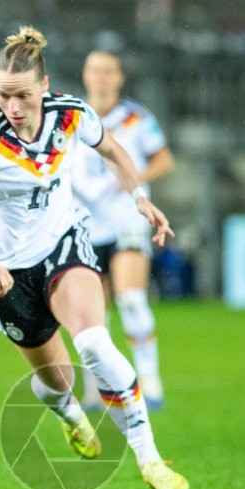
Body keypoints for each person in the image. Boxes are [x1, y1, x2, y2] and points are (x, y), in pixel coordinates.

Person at [0, 26, 188, 489]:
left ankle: (150, 460)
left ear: (44, 87)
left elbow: (111, 149)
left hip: (64, 243)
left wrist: (140, 198)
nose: (13, 107)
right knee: (58, 382)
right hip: (7, 273)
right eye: (2, 96)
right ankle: (68, 413)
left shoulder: (71, 115)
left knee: (94, 341)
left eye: (22, 95)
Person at [71, 51, 175, 410]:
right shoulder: (71, 117)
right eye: (95, 70)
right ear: (86, 76)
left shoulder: (136, 118)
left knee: (131, 298)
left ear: (119, 78)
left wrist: (132, 181)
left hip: (126, 220)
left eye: (108, 71)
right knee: (92, 313)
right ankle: (96, 389)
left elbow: (164, 159)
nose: (101, 77)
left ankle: (150, 380)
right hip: (84, 225)